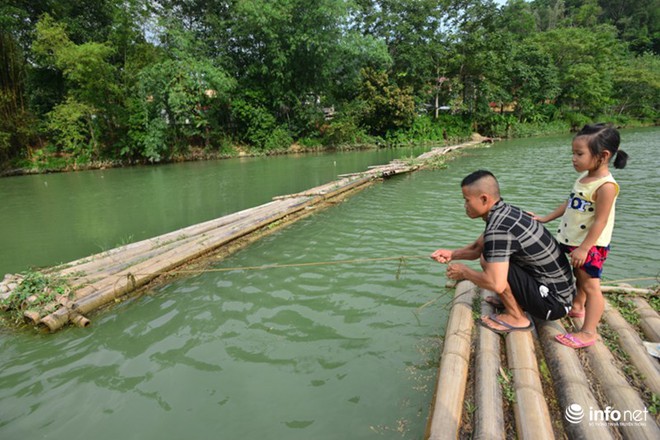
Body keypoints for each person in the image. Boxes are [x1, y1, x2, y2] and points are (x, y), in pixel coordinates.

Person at [432, 170, 576, 334]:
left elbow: (495, 283)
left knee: (489, 260)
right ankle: (516, 302)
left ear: (484, 199)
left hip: (554, 304)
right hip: (561, 293)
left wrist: (464, 271)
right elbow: (477, 247)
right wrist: (452, 254)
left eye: (466, 200)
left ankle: (517, 317)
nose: (465, 206)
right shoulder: (505, 212)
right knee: (490, 254)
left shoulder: (498, 229)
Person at [536, 123, 628, 348]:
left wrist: (585, 248)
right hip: (572, 238)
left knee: (590, 285)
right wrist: (546, 218)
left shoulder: (606, 186)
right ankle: (577, 307)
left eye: (579, 154)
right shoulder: (585, 178)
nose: (574, 158)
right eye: (573, 153)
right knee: (580, 277)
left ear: (603, 155)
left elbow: (601, 221)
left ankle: (589, 332)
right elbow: (570, 203)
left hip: (590, 245)